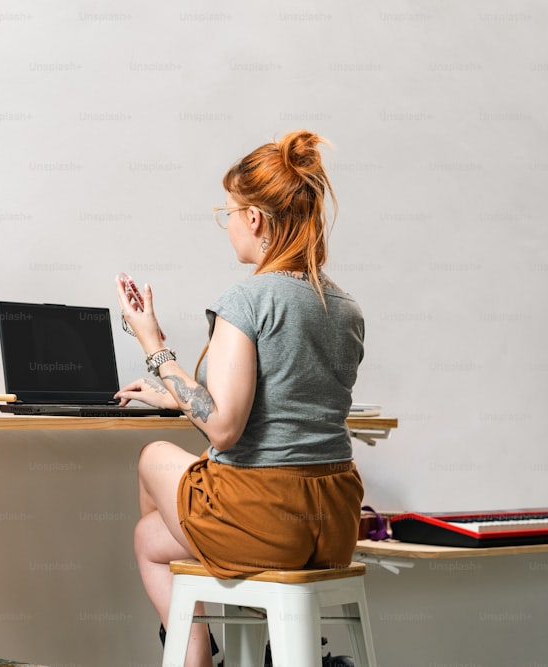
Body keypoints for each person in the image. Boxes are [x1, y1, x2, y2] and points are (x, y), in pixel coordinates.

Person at [114, 130, 365, 667]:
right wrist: (177, 398)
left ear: (253, 218)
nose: (226, 225)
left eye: (226, 212)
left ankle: (197, 652)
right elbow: (284, 402)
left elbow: (225, 428)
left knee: (152, 458)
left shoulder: (249, 299)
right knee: (148, 536)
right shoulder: (346, 308)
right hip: (335, 523)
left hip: (265, 519)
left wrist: (152, 343)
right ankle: (277, 645)